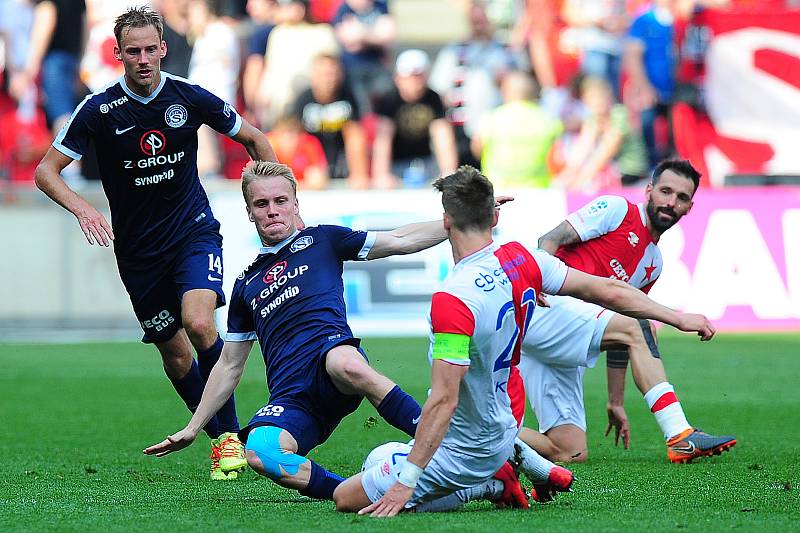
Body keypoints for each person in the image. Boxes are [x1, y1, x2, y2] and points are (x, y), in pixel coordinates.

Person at [332, 165, 718, 516]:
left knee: (348, 493)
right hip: (506, 422)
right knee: (569, 447)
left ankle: (488, 484)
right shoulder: (524, 260)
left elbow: (444, 398)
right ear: (496, 216)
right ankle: (527, 463)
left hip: (471, 447)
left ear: (446, 221)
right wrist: (678, 317)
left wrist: (407, 482)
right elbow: (610, 290)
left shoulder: (453, 301)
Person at [33, 6, 277, 480]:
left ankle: (228, 442)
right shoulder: (99, 110)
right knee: (175, 353)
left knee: (199, 322)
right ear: (119, 53)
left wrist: (268, 199)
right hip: (139, 252)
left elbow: (256, 140)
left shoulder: (189, 97)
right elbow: (46, 172)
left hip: (193, 231)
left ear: (164, 48)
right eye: (133, 51)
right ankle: (223, 434)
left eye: (151, 49)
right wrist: (85, 209)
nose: (143, 59)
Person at [143, 161, 447, 501]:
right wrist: (193, 427)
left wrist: (458, 222)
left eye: (280, 201)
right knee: (260, 452)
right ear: (249, 212)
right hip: (293, 396)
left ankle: (440, 442)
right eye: (262, 204)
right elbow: (228, 365)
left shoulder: (324, 240)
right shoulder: (246, 286)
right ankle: (356, 492)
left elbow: (400, 239)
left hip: (332, 363)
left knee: (345, 362)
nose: (272, 211)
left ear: (295, 204)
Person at [516, 159, 737, 464]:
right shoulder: (616, 210)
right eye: (665, 191)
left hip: (559, 336)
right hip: (547, 307)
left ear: (689, 208)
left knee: (569, 450)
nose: (671, 202)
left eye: (681, 198)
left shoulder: (653, 262)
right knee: (640, 326)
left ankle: (477, 433)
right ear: (649, 190)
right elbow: (549, 239)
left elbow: (625, 327)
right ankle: (679, 433)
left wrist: (616, 400)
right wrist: (538, 278)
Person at [372, 49, 458, 189]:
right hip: (397, 164)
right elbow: (383, 139)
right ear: (398, 78)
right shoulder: (389, 100)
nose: (414, 82)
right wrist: (381, 174)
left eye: (418, 76)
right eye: (410, 76)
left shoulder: (433, 98)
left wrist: (448, 171)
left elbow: (442, 136)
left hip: (426, 163)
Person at [471, 70, 563, 188]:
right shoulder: (549, 119)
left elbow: (477, 149)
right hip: (538, 191)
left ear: (507, 91)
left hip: (499, 192)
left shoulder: (492, 118)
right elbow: (558, 156)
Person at [292, 53, 370, 188]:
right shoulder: (303, 100)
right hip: (313, 164)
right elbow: (295, 139)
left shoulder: (348, 97)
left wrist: (359, 173)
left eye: (333, 73)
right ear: (314, 76)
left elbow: (355, 137)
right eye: (325, 74)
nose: (330, 79)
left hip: (342, 161)